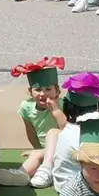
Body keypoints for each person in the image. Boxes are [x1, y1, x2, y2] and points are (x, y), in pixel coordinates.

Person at [11, 57, 66, 188]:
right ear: (30, 92)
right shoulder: (26, 107)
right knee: (35, 156)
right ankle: (21, 175)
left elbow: (68, 130)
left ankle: (46, 168)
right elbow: (31, 132)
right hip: (45, 149)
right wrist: (39, 149)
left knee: (53, 134)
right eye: (38, 89)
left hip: (63, 148)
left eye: (48, 89)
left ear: (57, 91)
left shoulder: (64, 105)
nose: (43, 93)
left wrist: (57, 111)